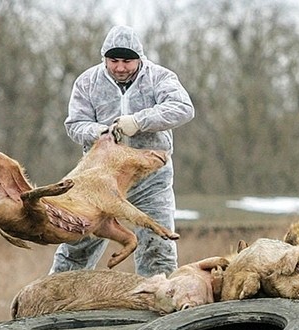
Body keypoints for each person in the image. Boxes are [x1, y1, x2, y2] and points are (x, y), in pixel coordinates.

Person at [53, 24, 194, 277]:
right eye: (113, 60)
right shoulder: (87, 82)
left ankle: (157, 304)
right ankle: (55, 299)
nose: (119, 67)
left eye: (127, 61)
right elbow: (74, 124)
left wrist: (139, 122)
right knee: (77, 241)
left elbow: (183, 108)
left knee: (157, 246)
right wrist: (97, 132)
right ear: (104, 58)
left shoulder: (160, 78)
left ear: (139, 58)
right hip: (98, 178)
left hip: (149, 178)